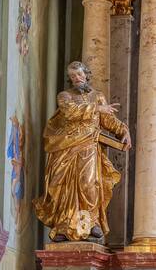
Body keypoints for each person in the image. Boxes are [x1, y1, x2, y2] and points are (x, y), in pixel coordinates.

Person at [34, 62, 131, 242]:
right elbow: (70, 112)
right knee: (62, 186)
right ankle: (64, 225)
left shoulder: (98, 97)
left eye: (79, 75)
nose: (76, 79)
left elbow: (108, 120)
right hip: (65, 146)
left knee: (88, 183)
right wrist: (96, 108)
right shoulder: (64, 96)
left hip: (88, 146)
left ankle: (89, 223)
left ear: (86, 75)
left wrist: (123, 130)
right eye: (72, 77)